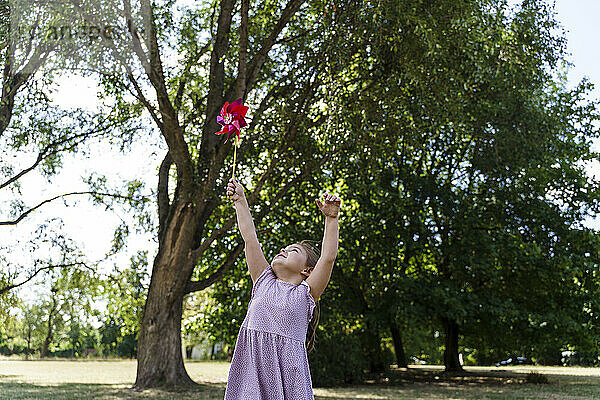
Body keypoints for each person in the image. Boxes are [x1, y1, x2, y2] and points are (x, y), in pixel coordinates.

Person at [223, 177, 341, 400]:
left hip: (288, 381)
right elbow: (250, 238)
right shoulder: (264, 280)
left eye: (293, 250)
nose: (283, 250)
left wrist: (331, 219)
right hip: (251, 374)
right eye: (285, 247)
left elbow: (328, 258)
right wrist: (240, 200)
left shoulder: (305, 295)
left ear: (307, 270)